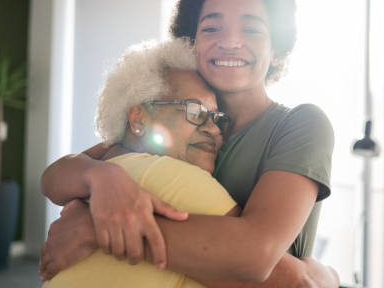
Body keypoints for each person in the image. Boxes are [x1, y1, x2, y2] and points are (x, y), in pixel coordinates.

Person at [40, 0, 339, 287]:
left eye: (252, 29)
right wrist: (100, 178)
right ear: (192, 41)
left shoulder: (300, 126)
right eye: (212, 28)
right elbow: (55, 177)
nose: (229, 42)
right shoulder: (177, 120)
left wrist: (100, 228)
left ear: (276, 49)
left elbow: (255, 256)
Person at [45, 38, 240, 288]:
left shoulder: (112, 166)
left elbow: (51, 177)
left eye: (215, 117)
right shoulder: (174, 177)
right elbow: (288, 281)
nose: (213, 128)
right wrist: (307, 269)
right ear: (139, 118)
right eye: (195, 111)